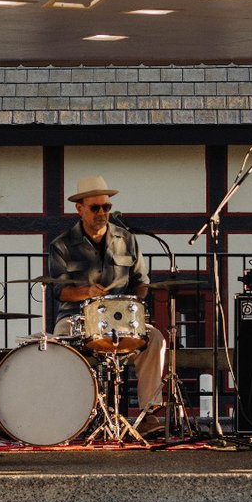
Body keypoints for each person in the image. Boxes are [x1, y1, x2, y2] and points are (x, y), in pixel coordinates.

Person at [49, 175, 167, 435]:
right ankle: (71, 415)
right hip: (75, 318)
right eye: (95, 208)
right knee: (60, 342)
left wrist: (135, 302)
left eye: (107, 207)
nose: (102, 212)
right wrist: (86, 292)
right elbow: (60, 292)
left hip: (120, 317)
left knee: (155, 338)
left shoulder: (127, 239)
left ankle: (149, 415)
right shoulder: (61, 245)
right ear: (79, 209)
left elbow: (141, 281)